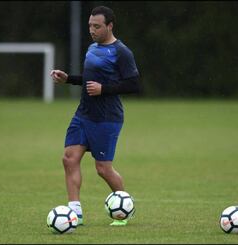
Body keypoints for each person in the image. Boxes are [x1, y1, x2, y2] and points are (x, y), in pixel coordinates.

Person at [50, 5, 141, 226]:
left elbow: (134, 84)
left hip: (107, 118)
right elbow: (89, 79)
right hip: (83, 114)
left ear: (110, 26)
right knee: (69, 158)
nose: (92, 30)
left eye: (97, 26)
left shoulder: (122, 52)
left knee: (102, 169)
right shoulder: (92, 48)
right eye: (90, 25)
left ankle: (126, 207)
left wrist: (104, 90)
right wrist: (68, 78)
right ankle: (75, 214)